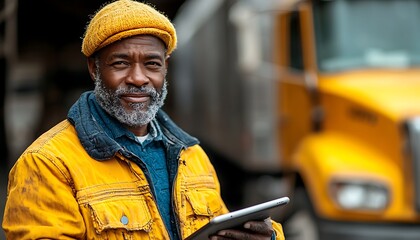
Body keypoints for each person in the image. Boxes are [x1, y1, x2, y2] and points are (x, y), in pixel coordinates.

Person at [2, 0, 285, 239]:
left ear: (165, 69)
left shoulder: (193, 156)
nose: (139, 79)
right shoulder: (46, 164)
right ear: (94, 69)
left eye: (152, 64)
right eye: (121, 63)